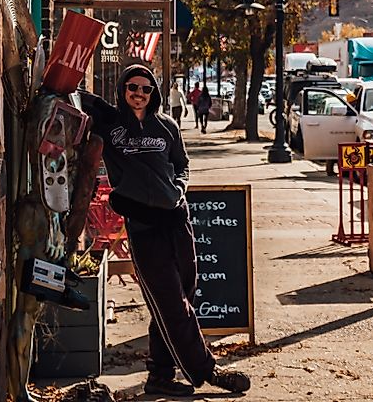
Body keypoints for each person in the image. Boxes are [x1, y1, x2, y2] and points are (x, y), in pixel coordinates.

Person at [81, 64, 250, 397]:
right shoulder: (113, 125)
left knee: (181, 296)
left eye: (146, 89)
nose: (139, 94)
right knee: (171, 302)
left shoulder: (167, 127)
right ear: (122, 90)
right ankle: (207, 370)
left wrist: (179, 188)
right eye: (132, 88)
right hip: (144, 226)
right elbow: (80, 98)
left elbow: (182, 164)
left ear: (154, 93)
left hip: (177, 219)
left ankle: (159, 376)